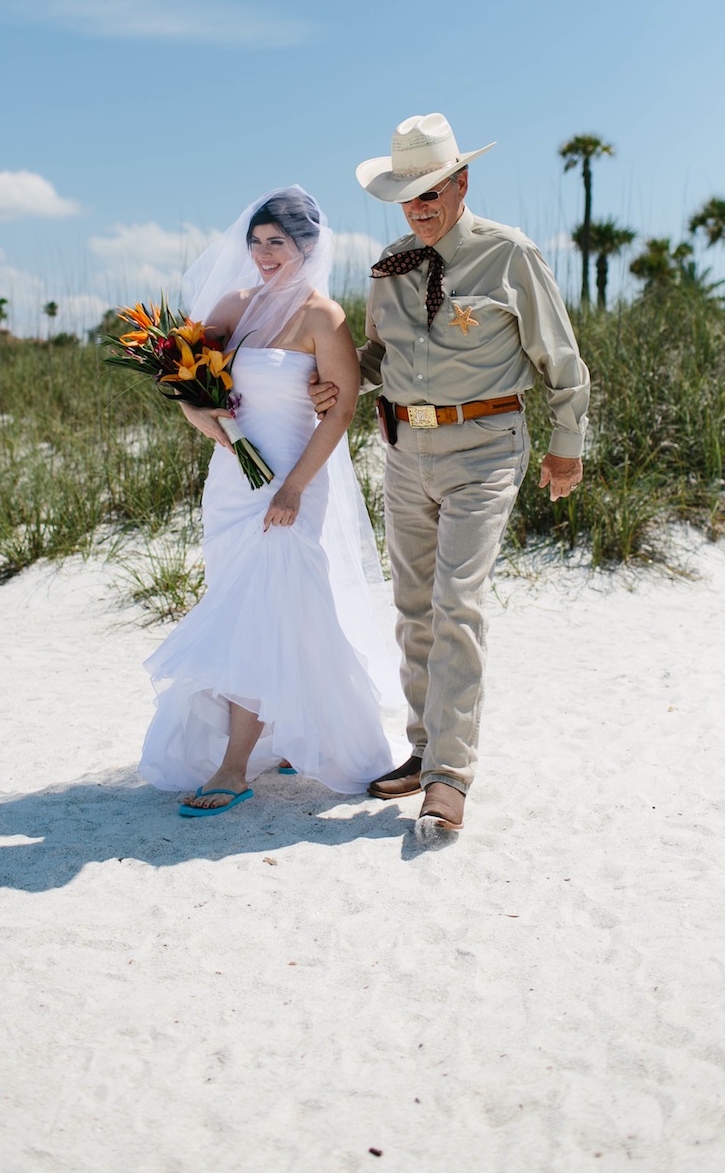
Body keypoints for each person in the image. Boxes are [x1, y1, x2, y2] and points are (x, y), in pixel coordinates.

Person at [311, 114, 590, 835]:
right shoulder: (390, 266)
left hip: (486, 447)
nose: (419, 206)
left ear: (462, 183)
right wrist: (335, 382)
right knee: (413, 608)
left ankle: (449, 777)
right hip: (405, 452)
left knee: (457, 602)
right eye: (407, 195)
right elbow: (379, 358)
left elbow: (561, 360)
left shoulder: (511, 256)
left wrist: (567, 446)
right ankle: (422, 750)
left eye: (431, 191)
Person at [138, 186, 401, 816]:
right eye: (255, 242)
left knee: (265, 608)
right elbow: (185, 387)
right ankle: (282, 736)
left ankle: (234, 767)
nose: (262, 254)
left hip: (291, 475)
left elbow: (339, 414)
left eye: (276, 243)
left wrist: (290, 487)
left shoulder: (324, 318)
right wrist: (222, 435)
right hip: (233, 483)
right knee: (259, 610)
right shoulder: (234, 305)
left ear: (306, 246)